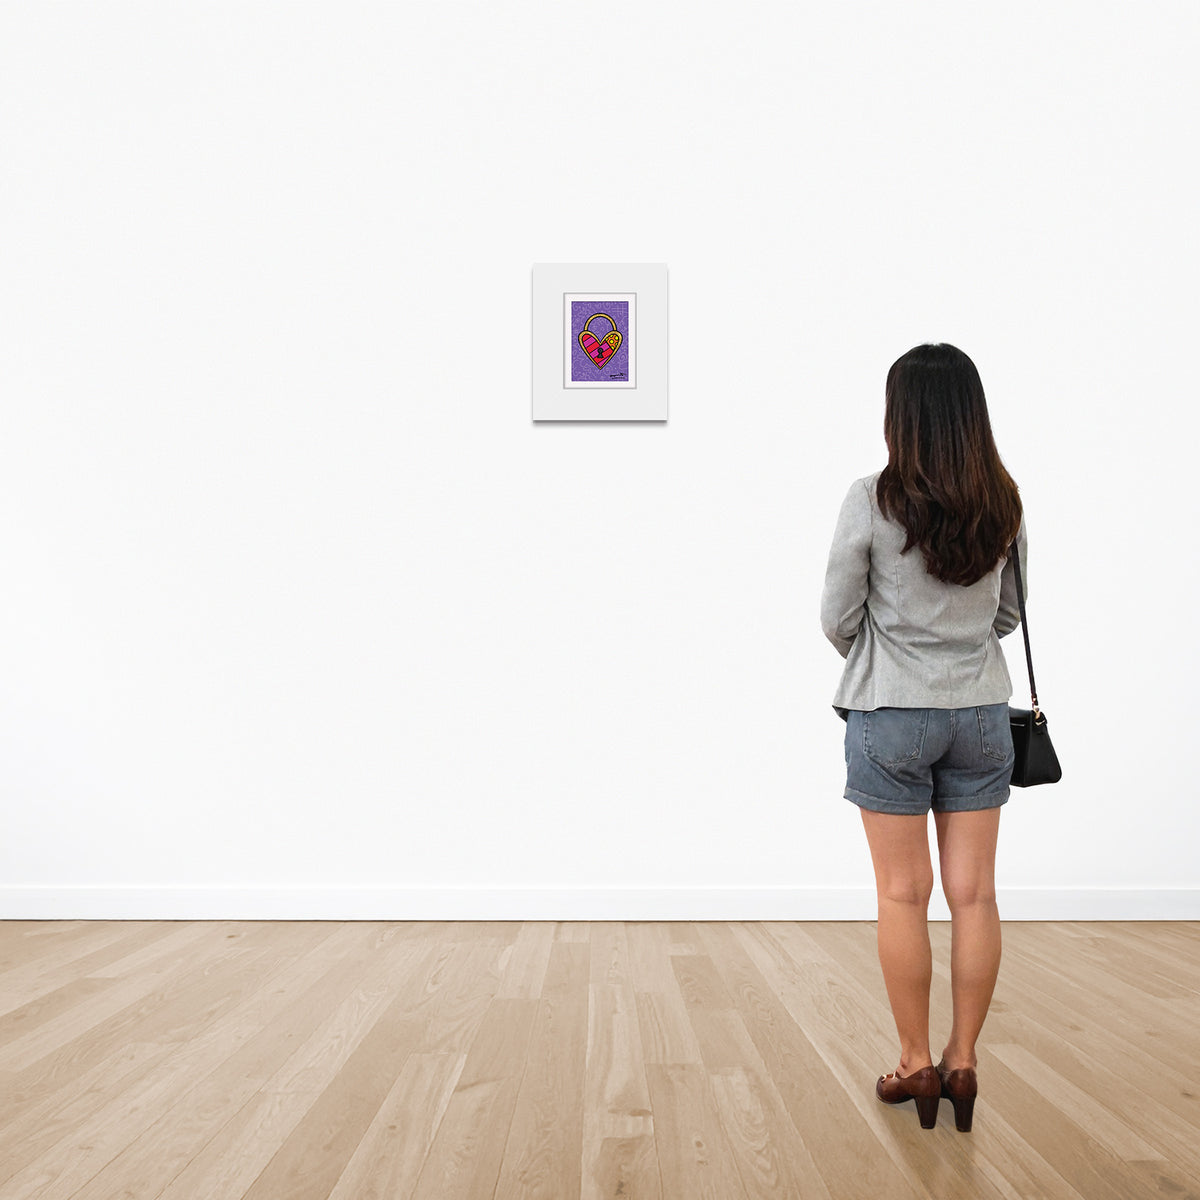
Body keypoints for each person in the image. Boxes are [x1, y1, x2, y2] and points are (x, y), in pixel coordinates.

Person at [820, 342, 1026, 1133]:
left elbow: (837, 617)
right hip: (980, 715)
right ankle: (963, 1060)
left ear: (899, 415)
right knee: (975, 895)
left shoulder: (871, 499)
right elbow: (1009, 614)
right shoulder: (1003, 500)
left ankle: (915, 1065)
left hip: (891, 716)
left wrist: (890, 656)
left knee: (903, 895)